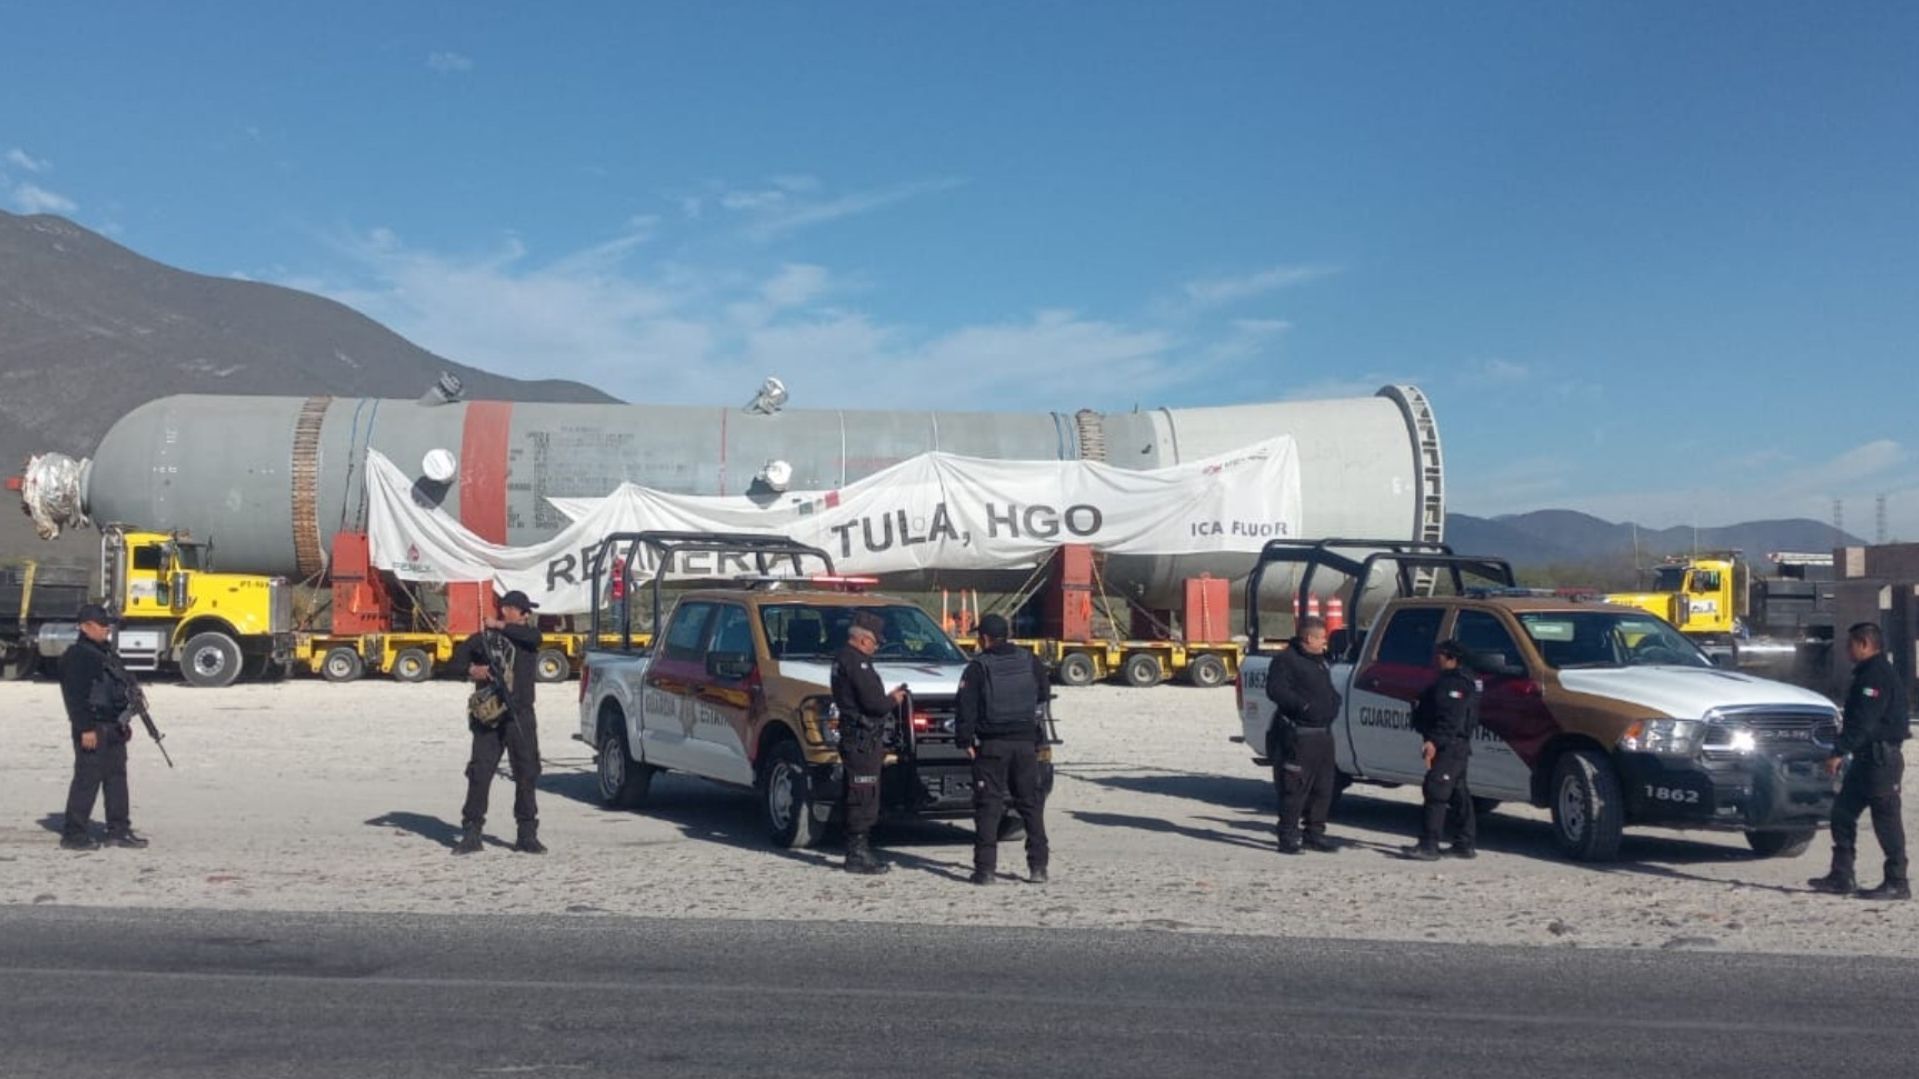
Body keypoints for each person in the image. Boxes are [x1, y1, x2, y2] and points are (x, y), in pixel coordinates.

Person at [1809, 622, 1911, 901]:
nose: (1846, 650)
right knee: (1842, 813)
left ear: (1865, 643)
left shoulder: (1875, 675)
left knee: (1886, 820)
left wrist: (1837, 751)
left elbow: (1864, 722)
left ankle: (1897, 881)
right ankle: (1841, 875)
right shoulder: (1867, 673)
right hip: (1866, 759)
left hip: (1881, 760)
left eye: (1850, 644)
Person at [956, 613, 1051, 885]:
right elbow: (1043, 693)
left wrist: (965, 742)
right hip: (1025, 744)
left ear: (984, 638)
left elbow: (966, 708)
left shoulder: (978, 667)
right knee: (1030, 804)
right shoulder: (1029, 660)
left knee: (989, 806)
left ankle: (985, 870)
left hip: (992, 746)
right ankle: (1038, 867)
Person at [452, 590, 546, 856]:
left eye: (527, 611)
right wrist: (473, 670)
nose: (527, 615)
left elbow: (534, 636)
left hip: (521, 715)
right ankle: (472, 831)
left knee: (527, 773)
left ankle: (527, 834)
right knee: (480, 773)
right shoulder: (483, 640)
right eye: (523, 610)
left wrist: (499, 625)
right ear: (508, 609)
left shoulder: (527, 638)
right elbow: (455, 661)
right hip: (490, 718)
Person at [58, 604, 148, 851]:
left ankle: (118, 830)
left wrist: (124, 720)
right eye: (101, 624)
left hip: (113, 725)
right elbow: (74, 696)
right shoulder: (77, 655)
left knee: (117, 779)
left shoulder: (107, 652)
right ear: (86, 627)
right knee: (87, 780)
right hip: (93, 726)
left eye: (107, 624)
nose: (106, 628)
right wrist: (85, 728)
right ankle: (74, 834)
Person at [831, 610, 905, 875]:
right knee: (864, 792)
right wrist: (893, 700)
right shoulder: (857, 663)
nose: (876, 647)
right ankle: (858, 853)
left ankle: (857, 848)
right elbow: (873, 703)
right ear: (863, 639)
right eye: (876, 642)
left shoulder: (842, 660)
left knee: (858, 790)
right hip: (862, 737)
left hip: (856, 735)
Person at [1266, 615, 1343, 854]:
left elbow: (1326, 689)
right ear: (1309, 638)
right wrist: (1304, 707)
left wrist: (1334, 702)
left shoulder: (1321, 661)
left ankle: (1314, 833)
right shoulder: (1286, 660)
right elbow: (1276, 691)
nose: (1324, 643)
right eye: (1321, 638)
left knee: (1323, 787)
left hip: (1323, 735)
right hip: (1299, 735)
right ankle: (1288, 836)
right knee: (1295, 788)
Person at [1401, 640, 1479, 861]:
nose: (1438, 659)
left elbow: (1450, 717)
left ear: (1452, 658)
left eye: (1442, 655)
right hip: (1456, 746)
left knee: (1436, 791)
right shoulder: (1459, 680)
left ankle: (1429, 844)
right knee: (1458, 793)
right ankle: (1464, 843)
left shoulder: (1455, 684)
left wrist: (1434, 741)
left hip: (1449, 745)